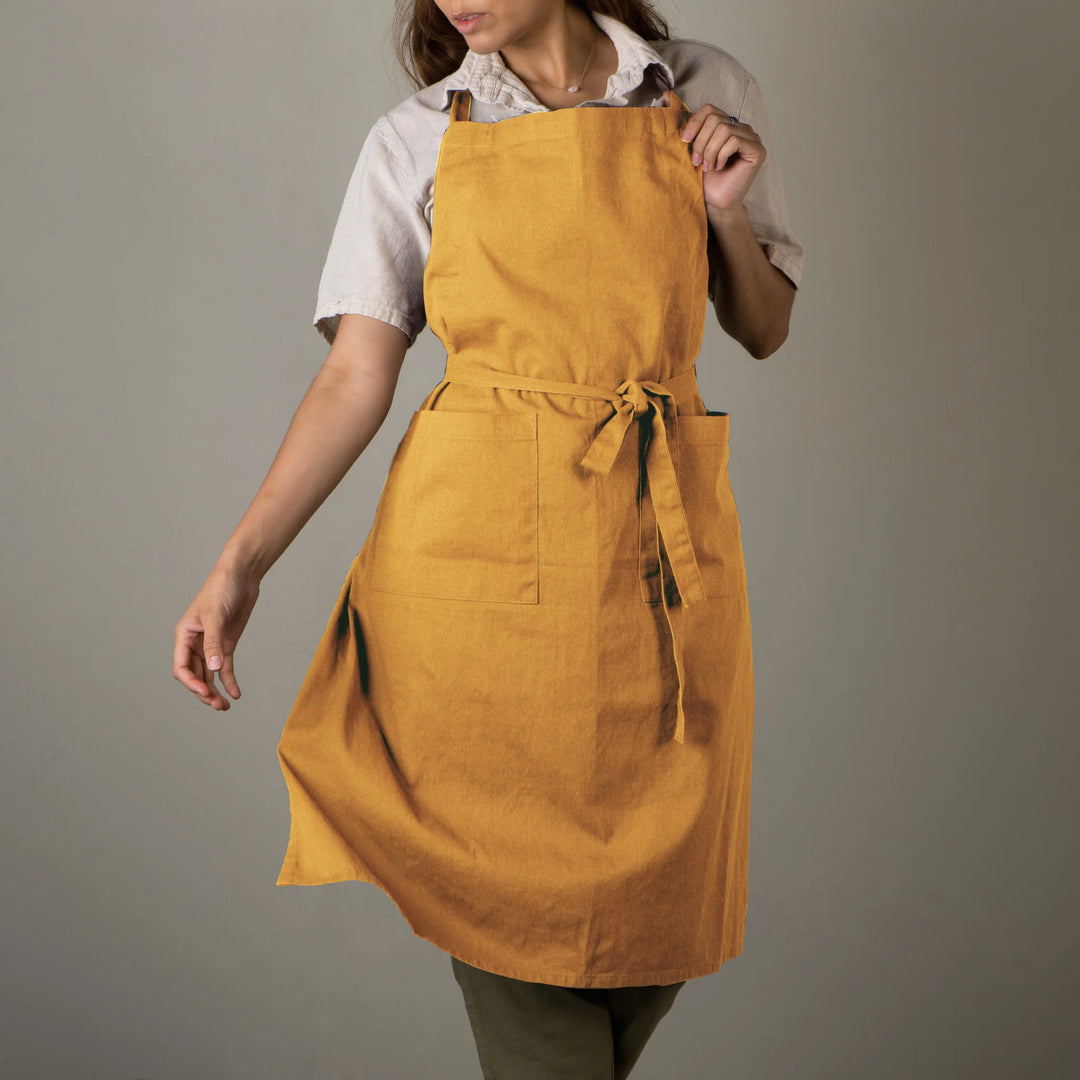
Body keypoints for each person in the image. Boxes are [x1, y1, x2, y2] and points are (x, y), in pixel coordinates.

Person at [172, 1, 803, 1076]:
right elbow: (354, 376)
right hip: (478, 574)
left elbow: (764, 325)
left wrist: (724, 212)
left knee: (651, 937)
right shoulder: (417, 136)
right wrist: (239, 566)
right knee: (527, 959)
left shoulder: (700, 89)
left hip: (658, 566)